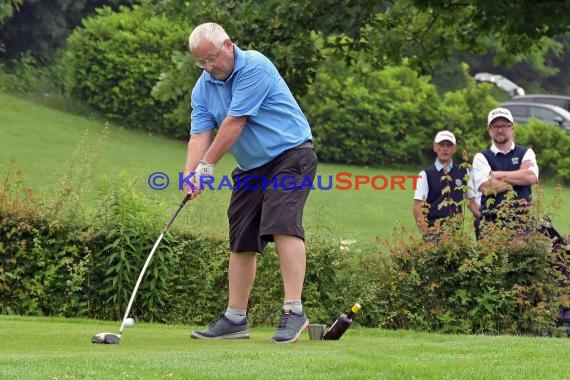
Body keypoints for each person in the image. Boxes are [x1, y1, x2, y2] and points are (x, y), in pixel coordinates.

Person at [183, 22, 317, 343]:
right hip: (251, 167)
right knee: (241, 236)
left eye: (211, 58)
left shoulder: (254, 65)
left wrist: (207, 165)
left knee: (282, 223)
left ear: (228, 45)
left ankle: (294, 310)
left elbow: (235, 123)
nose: (208, 67)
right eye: (200, 62)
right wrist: (190, 175)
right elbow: (200, 133)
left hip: (291, 154)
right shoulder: (203, 88)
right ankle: (235, 319)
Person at [471, 107, 539, 238]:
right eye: (495, 126)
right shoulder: (481, 157)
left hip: (521, 222)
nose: (500, 130)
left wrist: (496, 175)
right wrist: (519, 175)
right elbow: (486, 188)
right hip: (490, 223)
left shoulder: (526, 153)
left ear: (513, 128)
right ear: (489, 130)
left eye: (504, 125)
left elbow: (530, 177)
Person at [413, 131, 480, 237]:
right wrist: (427, 235)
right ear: (435, 148)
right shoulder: (425, 175)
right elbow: (417, 208)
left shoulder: (464, 172)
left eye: (449, 145)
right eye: (441, 145)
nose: (445, 149)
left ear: (454, 149)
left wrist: (488, 219)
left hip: (456, 235)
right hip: (434, 233)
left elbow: (471, 203)